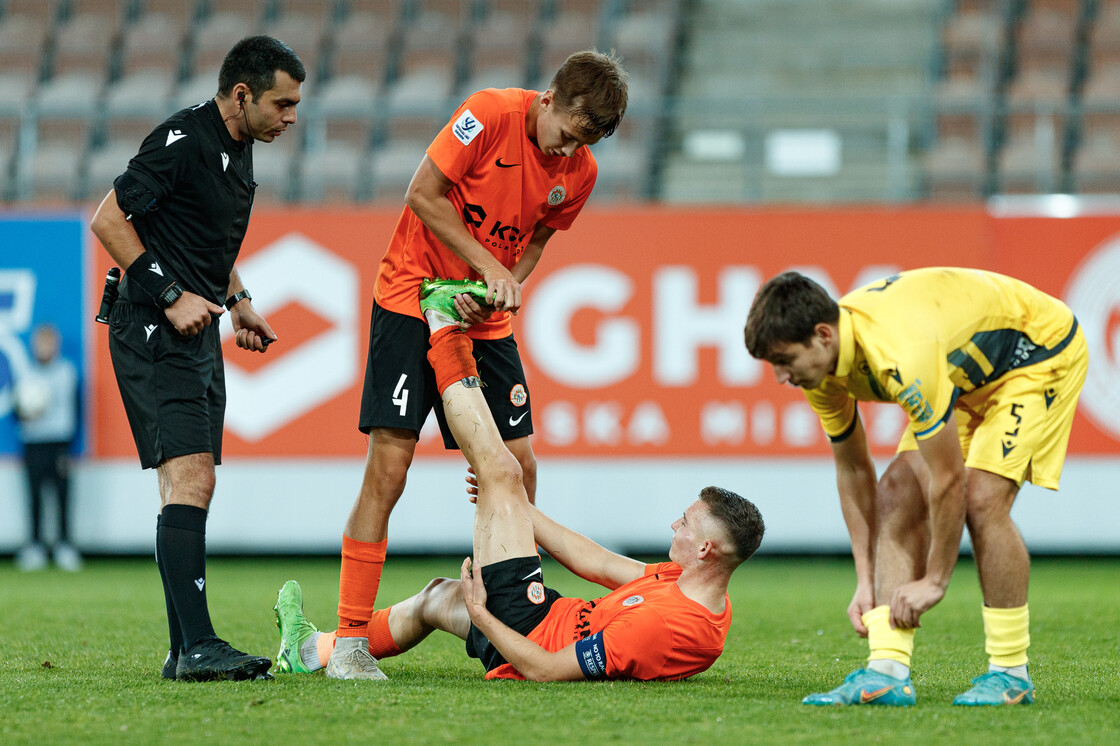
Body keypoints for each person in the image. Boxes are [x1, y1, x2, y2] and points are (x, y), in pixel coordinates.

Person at [317, 49, 630, 680]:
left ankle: (515, 609)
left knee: (519, 465)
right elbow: (422, 195)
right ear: (548, 100)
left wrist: (500, 283)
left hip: (485, 319)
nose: (570, 151)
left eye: (584, 144)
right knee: (391, 466)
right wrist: (482, 263)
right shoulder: (488, 114)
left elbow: (537, 237)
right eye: (567, 134)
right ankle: (350, 640)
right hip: (410, 295)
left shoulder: (582, 170)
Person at [273, 291, 765, 680]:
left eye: (685, 522)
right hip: (539, 613)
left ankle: (443, 329)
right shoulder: (679, 584)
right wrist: (518, 514)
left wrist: (485, 617)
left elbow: (547, 669)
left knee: (503, 470)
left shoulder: (672, 627)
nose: (673, 524)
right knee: (435, 596)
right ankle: (309, 652)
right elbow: (594, 561)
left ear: (705, 548)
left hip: (522, 625)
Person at [743, 267, 1088, 707]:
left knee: (983, 500)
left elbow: (948, 480)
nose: (781, 378)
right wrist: (865, 580)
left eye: (785, 361)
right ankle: (886, 671)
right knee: (896, 492)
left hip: (1037, 353)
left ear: (823, 335)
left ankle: (1010, 673)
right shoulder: (821, 372)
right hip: (964, 370)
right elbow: (854, 472)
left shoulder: (901, 355)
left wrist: (935, 580)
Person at [89, 36, 304, 681]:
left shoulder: (235, 151)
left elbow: (199, 237)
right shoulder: (181, 140)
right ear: (242, 94)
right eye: (282, 103)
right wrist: (171, 294)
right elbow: (108, 219)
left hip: (196, 327)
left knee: (187, 483)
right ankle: (199, 646)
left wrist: (237, 299)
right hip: (155, 326)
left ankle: (184, 649)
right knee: (191, 479)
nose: (291, 116)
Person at [14, 324, 81, 572]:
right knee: (34, 496)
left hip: (59, 442)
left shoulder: (67, 372)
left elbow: (76, 409)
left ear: (56, 345)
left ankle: (64, 545)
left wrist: (71, 445)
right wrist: (26, 413)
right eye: (41, 343)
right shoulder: (25, 373)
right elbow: (17, 410)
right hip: (32, 442)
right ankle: (35, 546)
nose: (45, 348)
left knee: (62, 495)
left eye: (49, 343)